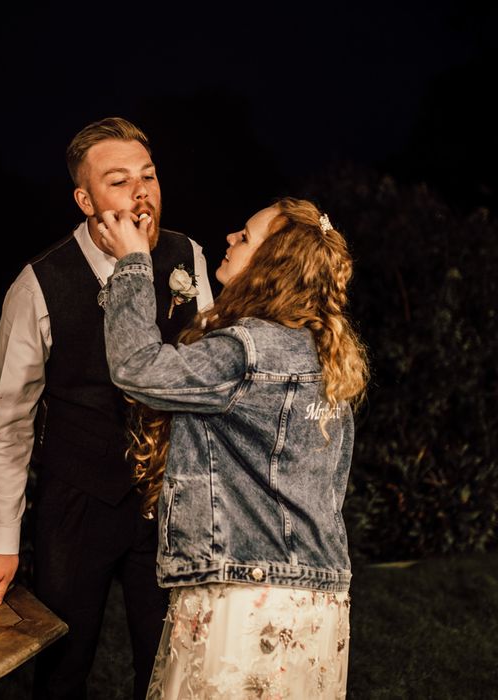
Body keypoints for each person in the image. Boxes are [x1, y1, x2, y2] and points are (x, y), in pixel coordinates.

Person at [0, 117, 214, 699]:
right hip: (77, 501)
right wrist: (2, 538)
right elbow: (10, 423)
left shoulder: (187, 255)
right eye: (118, 181)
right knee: (63, 662)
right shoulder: (38, 284)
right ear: (84, 199)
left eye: (149, 176)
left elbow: (210, 378)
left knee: (169, 661)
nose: (142, 192)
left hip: (170, 499)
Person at [98, 197, 369, 698]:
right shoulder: (325, 353)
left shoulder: (245, 351)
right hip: (320, 596)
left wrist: (133, 262)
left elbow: (136, 369)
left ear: (273, 263)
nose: (230, 238)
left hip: (247, 598)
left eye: (245, 237)